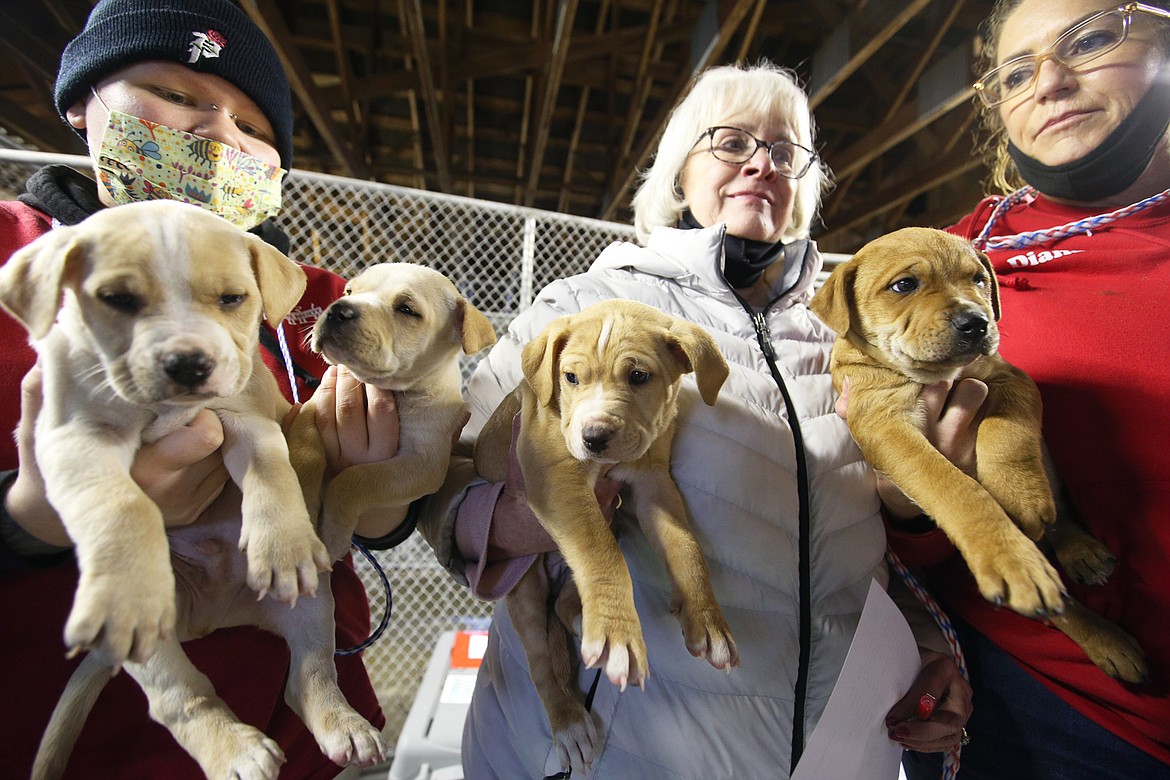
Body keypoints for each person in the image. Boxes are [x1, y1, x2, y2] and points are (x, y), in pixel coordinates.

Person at [417, 60, 972, 779]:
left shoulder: (853, 340)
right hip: (630, 749)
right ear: (681, 170)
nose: (761, 165)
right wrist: (513, 522)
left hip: (833, 749)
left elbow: (868, 539)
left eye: (785, 151)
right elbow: (449, 484)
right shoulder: (583, 305)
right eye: (732, 142)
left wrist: (928, 645)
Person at [0, 1, 408, 776]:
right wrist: (28, 523)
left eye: (254, 128)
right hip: (77, 740)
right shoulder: (24, 258)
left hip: (300, 743)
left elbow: (379, 505)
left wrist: (383, 498)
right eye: (179, 96)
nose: (219, 134)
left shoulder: (318, 298)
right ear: (82, 102)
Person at [883, 1, 1170, 778]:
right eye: (1015, 72)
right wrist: (909, 504)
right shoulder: (956, 259)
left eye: (1091, 39)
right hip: (1051, 706)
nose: (1049, 82)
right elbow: (884, 502)